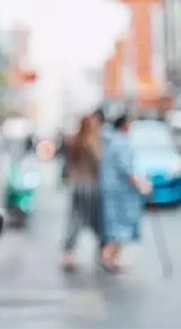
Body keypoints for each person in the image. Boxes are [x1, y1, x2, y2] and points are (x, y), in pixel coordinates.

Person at [98, 113, 151, 272]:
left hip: (111, 191)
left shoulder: (110, 141)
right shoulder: (121, 144)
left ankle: (111, 257)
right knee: (119, 228)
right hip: (120, 194)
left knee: (115, 227)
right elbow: (128, 170)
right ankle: (107, 257)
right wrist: (142, 186)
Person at [60, 115, 102, 271]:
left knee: (75, 217)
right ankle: (103, 250)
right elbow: (99, 160)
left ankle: (67, 252)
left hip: (75, 184)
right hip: (89, 184)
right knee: (94, 218)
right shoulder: (90, 142)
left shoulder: (75, 141)